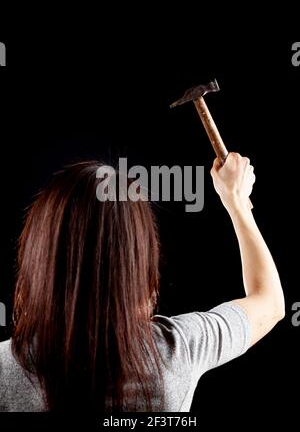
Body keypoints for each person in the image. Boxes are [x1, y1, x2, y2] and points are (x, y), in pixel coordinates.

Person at [0, 153, 285, 412]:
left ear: (38, 257)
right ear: (140, 263)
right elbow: (270, 302)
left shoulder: (4, 368)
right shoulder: (179, 350)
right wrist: (236, 202)